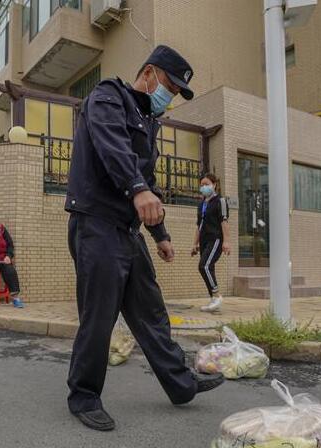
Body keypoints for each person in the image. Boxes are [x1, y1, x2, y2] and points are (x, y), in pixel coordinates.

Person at [64, 45, 225, 431]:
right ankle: (84, 396)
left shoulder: (149, 120)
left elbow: (148, 182)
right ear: (149, 73)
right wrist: (137, 188)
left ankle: (181, 384)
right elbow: (112, 146)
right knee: (99, 316)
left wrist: (160, 235)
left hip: (127, 230)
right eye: (171, 85)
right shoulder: (108, 96)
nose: (171, 95)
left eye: (177, 92)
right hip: (96, 224)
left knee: (151, 311)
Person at [191, 173, 230, 312]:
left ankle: (217, 296)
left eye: (206, 184)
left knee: (204, 266)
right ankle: (213, 300)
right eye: (201, 185)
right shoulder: (201, 204)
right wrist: (195, 244)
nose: (204, 187)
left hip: (216, 239)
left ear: (214, 185)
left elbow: (224, 222)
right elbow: (199, 226)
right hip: (204, 240)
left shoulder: (221, 201)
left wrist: (226, 241)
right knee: (208, 267)